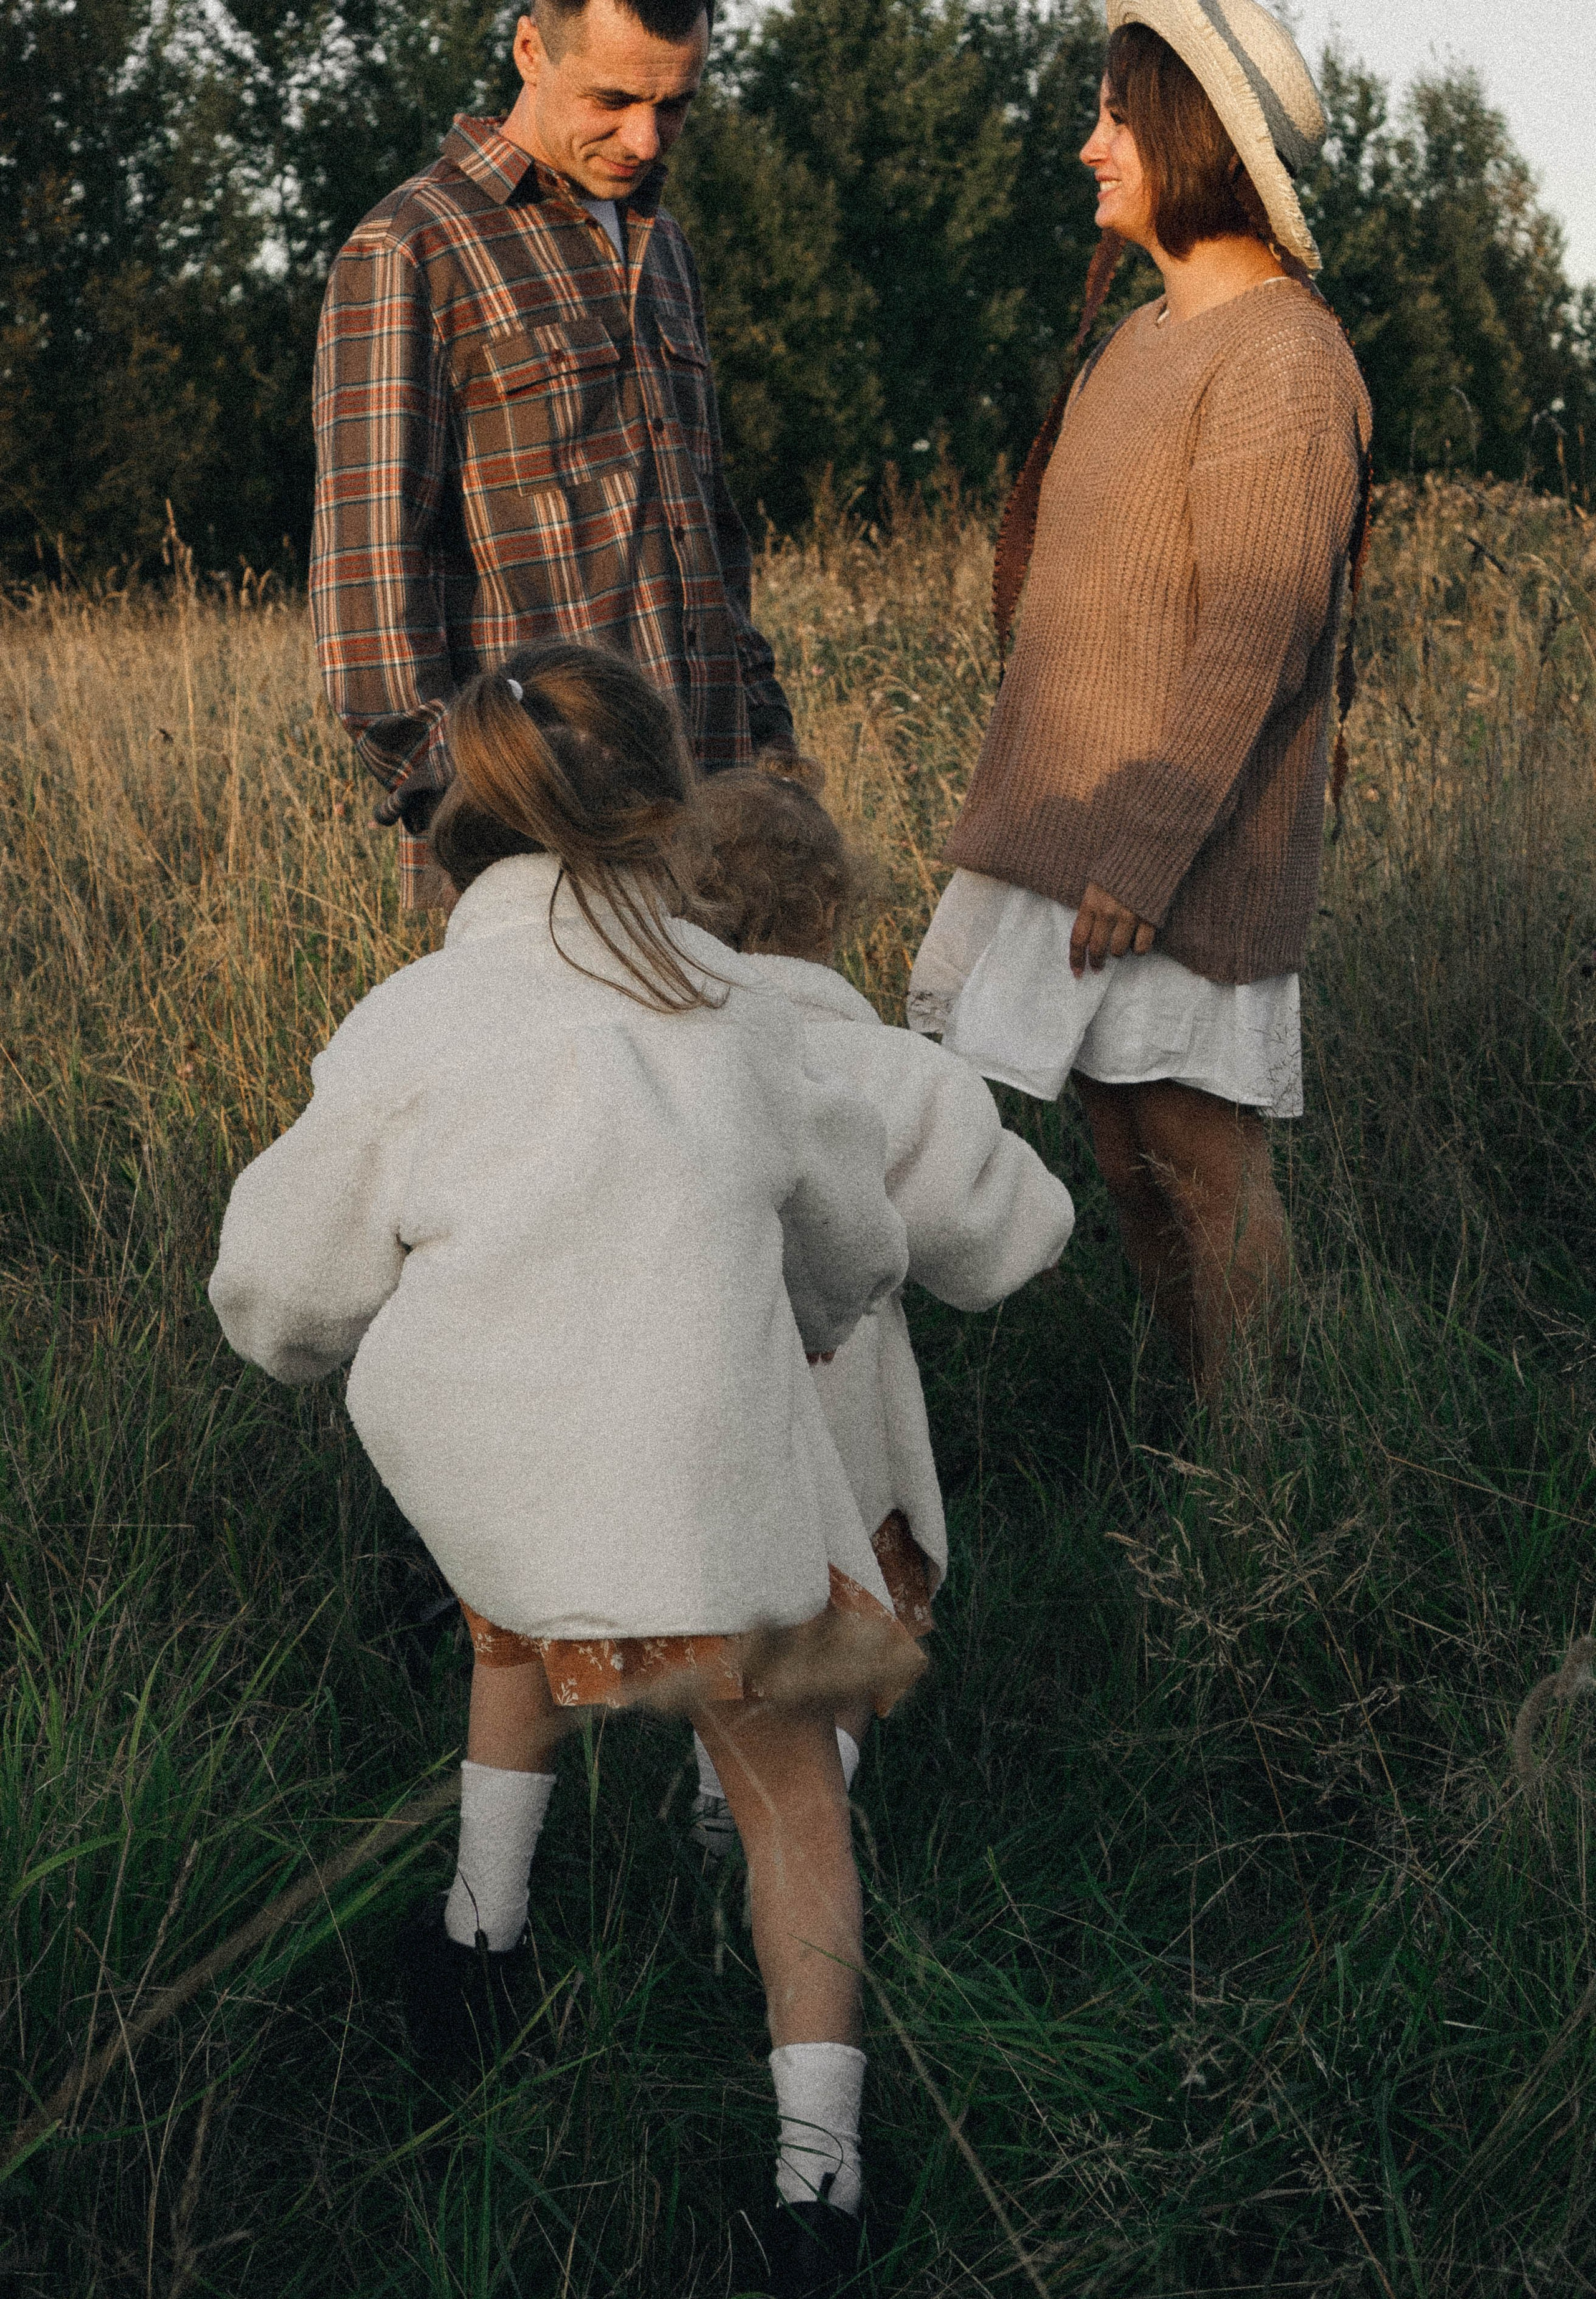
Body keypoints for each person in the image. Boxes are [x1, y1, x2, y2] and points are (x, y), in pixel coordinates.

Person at [208, 642, 915, 2299]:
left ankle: (480, 1934)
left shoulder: (414, 1020)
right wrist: (797, 1313)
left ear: (461, 819)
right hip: (709, 1508)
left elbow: (280, 1288)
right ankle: (820, 2186)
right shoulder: (738, 1011)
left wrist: (320, 1347)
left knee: (520, 1599)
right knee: (793, 1797)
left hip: (497, 1490)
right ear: (666, 803)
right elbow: (849, 1253)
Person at [908, 0, 1372, 1397]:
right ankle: (1204, 1424)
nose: (1086, 146)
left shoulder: (1279, 358)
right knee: (1124, 1144)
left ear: (1189, 136)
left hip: (1174, 842)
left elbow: (1255, 626)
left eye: (1115, 115)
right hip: (1092, 839)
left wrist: (1151, 839)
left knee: (1197, 1155)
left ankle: (1265, 1475)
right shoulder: (1145, 339)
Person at [310, 0, 794, 911]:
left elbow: (711, 533)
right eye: (611, 98)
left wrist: (768, 751)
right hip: (541, 838)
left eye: (676, 104)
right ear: (531, 50)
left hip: (717, 813)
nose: (645, 139)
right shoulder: (411, 246)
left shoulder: (667, 247)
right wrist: (470, 795)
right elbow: (368, 570)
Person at [681, 766, 1077, 1854]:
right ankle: (798, 1783)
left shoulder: (645, 1054)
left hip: (684, 1414)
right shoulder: (892, 1072)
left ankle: (723, 1773)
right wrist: (1039, 1238)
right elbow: (984, 1222)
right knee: (848, 1624)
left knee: (719, 1609)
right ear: (831, 911)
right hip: (840, 1415)